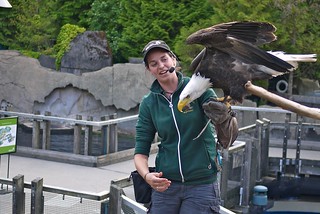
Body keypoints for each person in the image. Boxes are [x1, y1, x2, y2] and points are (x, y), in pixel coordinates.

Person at [134, 40, 238, 214]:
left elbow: (228, 135)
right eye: (154, 63)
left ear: (173, 60)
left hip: (201, 185)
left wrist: (225, 117)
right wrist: (147, 176)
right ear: (149, 69)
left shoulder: (199, 89)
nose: (161, 65)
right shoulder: (149, 103)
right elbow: (140, 151)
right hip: (165, 185)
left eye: (164, 59)